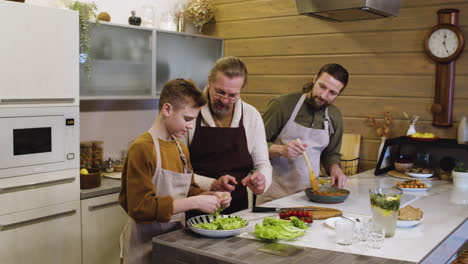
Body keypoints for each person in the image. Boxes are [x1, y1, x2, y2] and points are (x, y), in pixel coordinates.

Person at [119, 79, 231, 264]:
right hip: (143, 246)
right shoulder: (142, 148)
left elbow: (188, 190)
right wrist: (194, 201)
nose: (190, 126)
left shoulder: (180, 148)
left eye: (193, 120)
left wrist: (212, 196)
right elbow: (140, 208)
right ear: (167, 109)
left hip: (174, 242)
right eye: (187, 119)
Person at [182, 56, 272, 213]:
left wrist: (262, 180)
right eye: (219, 92)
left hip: (239, 209)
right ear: (209, 81)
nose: (224, 100)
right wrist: (211, 184)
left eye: (232, 95)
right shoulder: (190, 112)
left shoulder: (251, 116)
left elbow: (263, 163)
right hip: (194, 205)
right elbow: (177, 172)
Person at [257, 63, 349, 204]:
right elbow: (254, 147)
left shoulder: (334, 116)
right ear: (314, 79)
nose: (324, 95)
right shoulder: (282, 105)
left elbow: (331, 154)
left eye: (332, 93)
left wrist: (335, 168)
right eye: (322, 86)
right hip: (274, 195)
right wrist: (281, 150)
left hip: (311, 195)